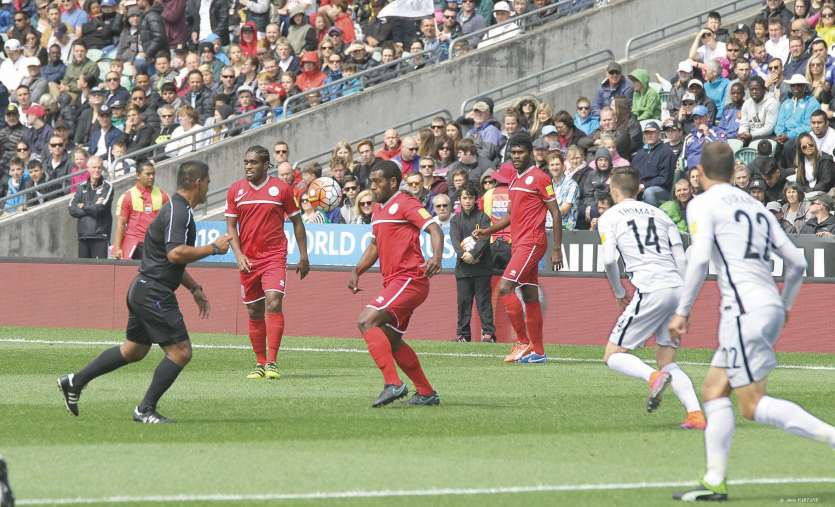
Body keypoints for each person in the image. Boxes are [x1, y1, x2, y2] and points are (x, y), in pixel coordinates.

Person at [669, 143, 835, 502]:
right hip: (764, 305)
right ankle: (714, 480)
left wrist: (682, 311)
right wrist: (786, 306)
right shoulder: (756, 207)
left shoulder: (702, 204)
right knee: (714, 390)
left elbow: (698, 261)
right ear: (733, 170)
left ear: (699, 171)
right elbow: (797, 263)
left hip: (744, 308)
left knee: (753, 404)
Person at [58, 161, 232, 424]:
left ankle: (75, 381)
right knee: (180, 352)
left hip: (142, 287)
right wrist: (213, 249)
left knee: (134, 350)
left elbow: (168, 258)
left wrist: (193, 287)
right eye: (207, 181)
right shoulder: (179, 212)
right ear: (197, 182)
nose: (209, 186)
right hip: (153, 293)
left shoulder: (175, 209)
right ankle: (145, 409)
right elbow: (175, 253)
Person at [598, 167, 705, 429]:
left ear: (613, 190)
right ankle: (695, 414)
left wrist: (619, 292)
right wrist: (684, 304)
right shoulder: (662, 215)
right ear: (639, 189)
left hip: (650, 287)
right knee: (667, 358)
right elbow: (680, 259)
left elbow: (610, 259)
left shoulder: (609, 217)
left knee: (613, 354)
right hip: (676, 286)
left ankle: (652, 377)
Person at [348, 159, 444, 407]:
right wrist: (357, 270)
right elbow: (375, 246)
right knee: (391, 340)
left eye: (378, 181)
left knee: (365, 320)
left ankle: (393, 383)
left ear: (392, 182)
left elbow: (434, 229)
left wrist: (436, 257)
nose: (373, 187)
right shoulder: (378, 211)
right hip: (395, 282)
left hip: (410, 278)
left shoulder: (405, 202)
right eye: (371, 182)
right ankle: (426, 392)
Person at [474, 132, 563, 364]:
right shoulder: (514, 180)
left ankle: (522, 341)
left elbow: (555, 212)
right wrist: (488, 231)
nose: (516, 157)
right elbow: (512, 215)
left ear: (530, 153)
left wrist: (556, 249)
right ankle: (539, 352)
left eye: (520, 152)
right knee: (529, 295)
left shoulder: (541, 178)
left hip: (533, 242)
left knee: (505, 288)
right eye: (513, 153)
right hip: (519, 243)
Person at [226, 145, 310, 380]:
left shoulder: (281, 189)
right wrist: (238, 255)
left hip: (274, 256)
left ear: (265, 165)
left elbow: (297, 222)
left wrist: (303, 256)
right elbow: (231, 226)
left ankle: (272, 362)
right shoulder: (236, 191)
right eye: (246, 162)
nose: (248, 166)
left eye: (253, 162)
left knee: (273, 302)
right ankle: (260, 363)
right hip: (248, 259)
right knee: (254, 311)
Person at [450, 183, 495, 343]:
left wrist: (474, 254)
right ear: (460, 200)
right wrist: (464, 255)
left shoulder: (483, 218)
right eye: (464, 198)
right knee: (463, 302)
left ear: (476, 199)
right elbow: (455, 240)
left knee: (483, 301)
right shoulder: (455, 220)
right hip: (463, 269)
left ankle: (488, 333)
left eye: (470, 197)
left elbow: (485, 238)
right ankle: (463, 334)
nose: (467, 201)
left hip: (482, 268)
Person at [112, 162, 170, 260]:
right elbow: (121, 224)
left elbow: (169, 222)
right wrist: (117, 248)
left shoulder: (163, 195)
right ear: (138, 175)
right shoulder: (127, 196)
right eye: (148, 174)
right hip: (135, 245)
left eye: (153, 174)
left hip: (155, 244)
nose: (151, 177)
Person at [67, 156, 113, 259]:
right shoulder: (81, 187)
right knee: (83, 272)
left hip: (100, 236)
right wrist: (92, 206)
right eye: (94, 167)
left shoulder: (108, 186)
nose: (97, 170)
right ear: (88, 168)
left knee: (100, 272)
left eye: (99, 168)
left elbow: (100, 209)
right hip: (83, 236)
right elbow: (71, 208)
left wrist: (83, 206)